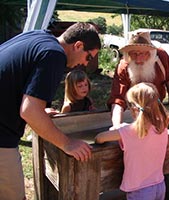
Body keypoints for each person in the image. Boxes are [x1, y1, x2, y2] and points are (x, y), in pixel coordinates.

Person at [0, 22, 101, 200]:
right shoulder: (54, 55)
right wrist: (67, 143)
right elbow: (29, 111)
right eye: (89, 57)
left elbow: (15, 83)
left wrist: (39, 111)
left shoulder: (40, 37)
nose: (85, 64)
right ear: (78, 46)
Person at [95, 82, 169, 200]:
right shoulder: (162, 127)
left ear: (134, 109)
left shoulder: (128, 131)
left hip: (139, 190)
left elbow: (99, 138)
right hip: (159, 185)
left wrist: (118, 128)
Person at [107, 31, 169, 129]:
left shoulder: (162, 57)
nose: (138, 59)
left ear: (150, 53)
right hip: (134, 112)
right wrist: (117, 126)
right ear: (128, 54)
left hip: (157, 108)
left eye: (142, 53)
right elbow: (117, 99)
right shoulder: (123, 67)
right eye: (134, 54)